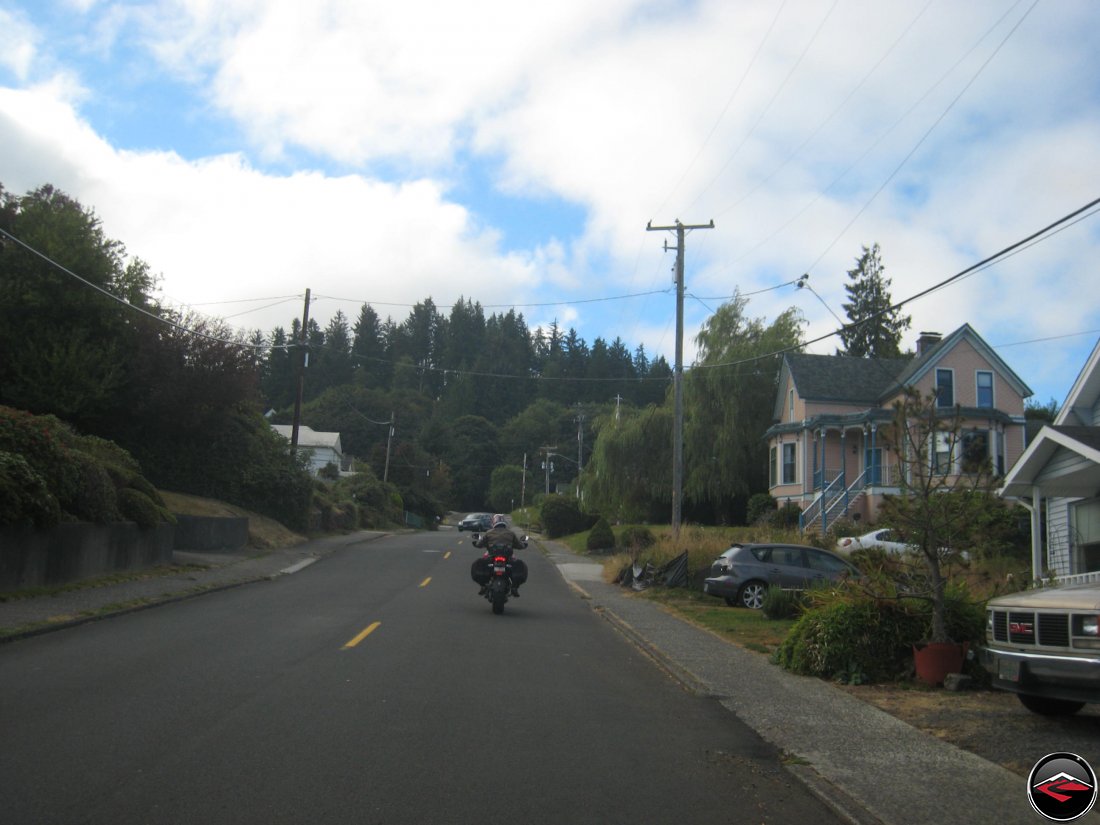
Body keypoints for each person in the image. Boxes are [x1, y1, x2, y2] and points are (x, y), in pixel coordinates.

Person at [470, 514, 528, 596]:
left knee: (478, 565)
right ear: (504, 522)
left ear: (494, 522)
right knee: (519, 566)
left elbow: (480, 544)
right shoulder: (511, 533)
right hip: (507, 558)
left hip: (492, 557)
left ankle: (483, 586)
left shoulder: (489, 532)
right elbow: (519, 545)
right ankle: (514, 587)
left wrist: (476, 543)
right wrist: (523, 545)